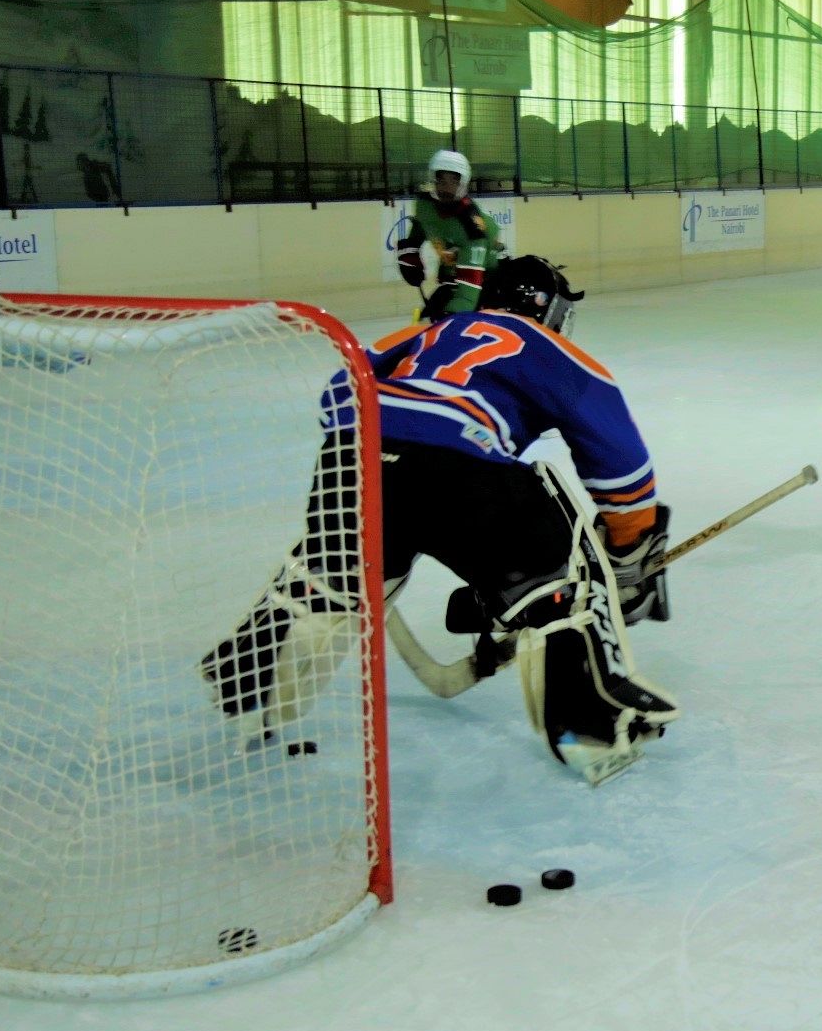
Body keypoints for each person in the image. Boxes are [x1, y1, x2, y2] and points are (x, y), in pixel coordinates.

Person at [201, 256, 679, 785]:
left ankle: (251, 691)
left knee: (335, 579)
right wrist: (630, 547)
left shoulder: (434, 329)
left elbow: (343, 383)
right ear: (549, 308)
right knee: (564, 586)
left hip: (353, 455)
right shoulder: (548, 346)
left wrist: (385, 442)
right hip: (461, 471)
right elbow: (618, 458)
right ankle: (594, 737)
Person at [395, 149, 501, 322]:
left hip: (487, 284)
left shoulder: (472, 228)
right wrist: (410, 253)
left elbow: (468, 291)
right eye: (441, 180)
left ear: (463, 184)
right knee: (428, 320)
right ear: (433, 180)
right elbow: (421, 228)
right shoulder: (425, 206)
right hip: (453, 277)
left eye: (454, 181)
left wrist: (449, 318)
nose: (447, 187)